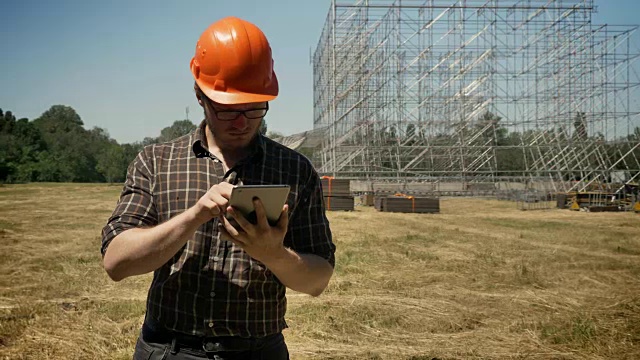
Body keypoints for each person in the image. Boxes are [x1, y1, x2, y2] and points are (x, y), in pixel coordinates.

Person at [100, 16, 336, 360]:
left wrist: (273, 254)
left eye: (253, 108)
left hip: (258, 351)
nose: (241, 122)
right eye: (227, 109)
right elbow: (116, 264)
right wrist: (194, 216)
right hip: (171, 348)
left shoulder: (295, 170)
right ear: (199, 94)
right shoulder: (156, 161)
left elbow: (317, 282)